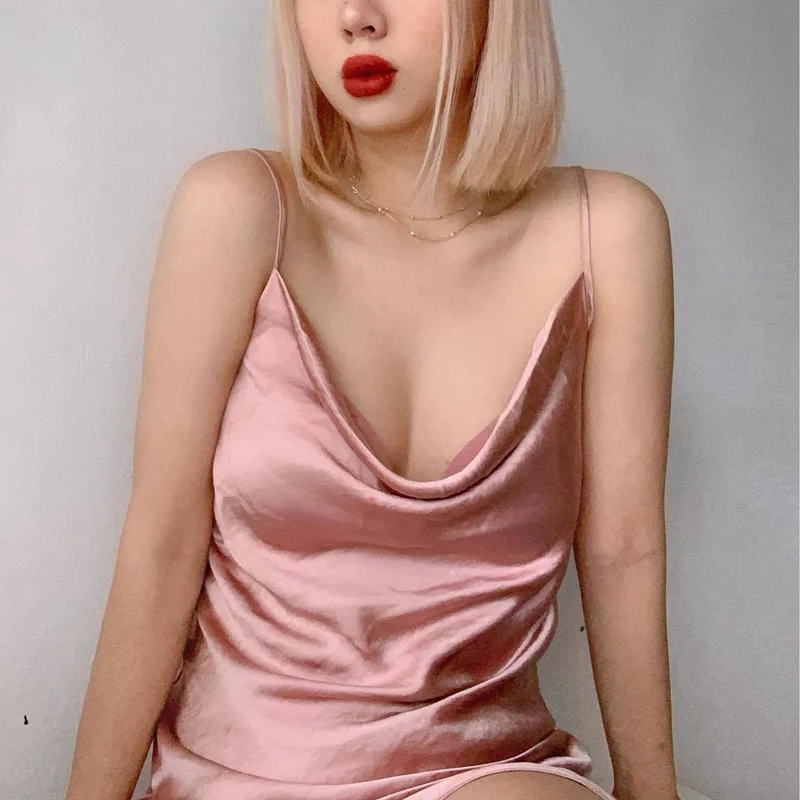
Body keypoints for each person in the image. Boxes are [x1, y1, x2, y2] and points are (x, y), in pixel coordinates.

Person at [65, 0, 679, 798]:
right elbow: (163, 544)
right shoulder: (240, 208)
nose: (357, 16)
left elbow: (623, 549)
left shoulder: (610, 231)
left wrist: (652, 789)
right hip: (249, 769)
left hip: (482, 769)